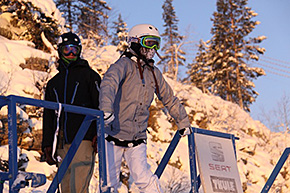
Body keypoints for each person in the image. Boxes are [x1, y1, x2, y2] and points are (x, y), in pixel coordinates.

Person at [99, 24, 192, 193]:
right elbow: (108, 84)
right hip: (113, 133)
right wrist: (106, 109)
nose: (153, 49)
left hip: (137, 136)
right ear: (135, 42)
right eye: (149, 43)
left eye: (157, 44)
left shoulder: (154, 73)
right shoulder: (123, 65)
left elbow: (169, 97)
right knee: (109, 183)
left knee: (145, 179)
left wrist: (183, 121)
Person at [42, 32, 101, 193]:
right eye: (67, 49)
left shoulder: (90, 76)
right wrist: (47, 143)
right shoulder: (54, 83)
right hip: (62, 141)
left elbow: (101, 106)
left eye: (75, 49)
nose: (71, 53)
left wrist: (98, 133)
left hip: (84, 139)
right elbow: (48, 115)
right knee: (66, 187)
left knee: (78, 187)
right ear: (60, 51)